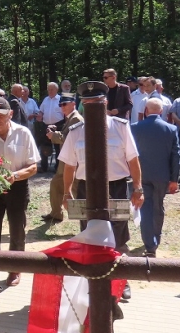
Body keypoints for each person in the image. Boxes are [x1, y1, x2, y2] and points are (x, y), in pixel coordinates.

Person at [60, 84, 144, 254]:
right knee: (89, 232)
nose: (92, 106)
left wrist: (138, 188)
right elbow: (69, 165)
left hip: (116, 186)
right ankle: (93, 269)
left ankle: (118, 269)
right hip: (87, 188)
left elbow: (133, 159)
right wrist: (66, 193)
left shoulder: (120, 126)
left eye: (96, 101)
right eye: (87, 102)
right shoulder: (76, 131)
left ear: (105, 102)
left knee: (118, 233)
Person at [0, 96, 41, 304]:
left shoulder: (23, 133)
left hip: (17, 186)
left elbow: (34, 166)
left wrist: (16, 175)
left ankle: (15, 267)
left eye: (1, 115)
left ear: (10, 114)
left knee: (17, 230)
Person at [131, 98, 179, 257]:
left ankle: (149, 245)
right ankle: (156, 240)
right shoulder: (171, 129)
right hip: (162, 176)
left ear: (146, 110)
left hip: (142, 175)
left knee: (145, 209)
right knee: (158, 207)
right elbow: (176, 156)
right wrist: (174, 179)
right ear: (161, 111)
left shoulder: (135, 128)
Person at [43, 93, 83, 223]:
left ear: (73, 103)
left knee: (75, 189)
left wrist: (54, 136)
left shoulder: (76, 118)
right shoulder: (71, 118)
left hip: (72, 161)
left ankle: (86, 217)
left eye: (65, 104)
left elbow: (72, 140)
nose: (62, 107)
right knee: (56, 184)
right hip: (67, 160)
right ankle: (56, 214)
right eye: (60, 104)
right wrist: (56, 131)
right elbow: (68, 134)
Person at [36, 82, 62, 172]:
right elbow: (41, 111)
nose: (50, 91)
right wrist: (40, 115)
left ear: (56, 90)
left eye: (52, 89)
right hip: (46, 126)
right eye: (48, 90)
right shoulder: (45, 100)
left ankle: (58, 168)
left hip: (58, 126)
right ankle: (44, 167)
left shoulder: (60, 99)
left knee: (58, 147)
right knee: (44, 147)